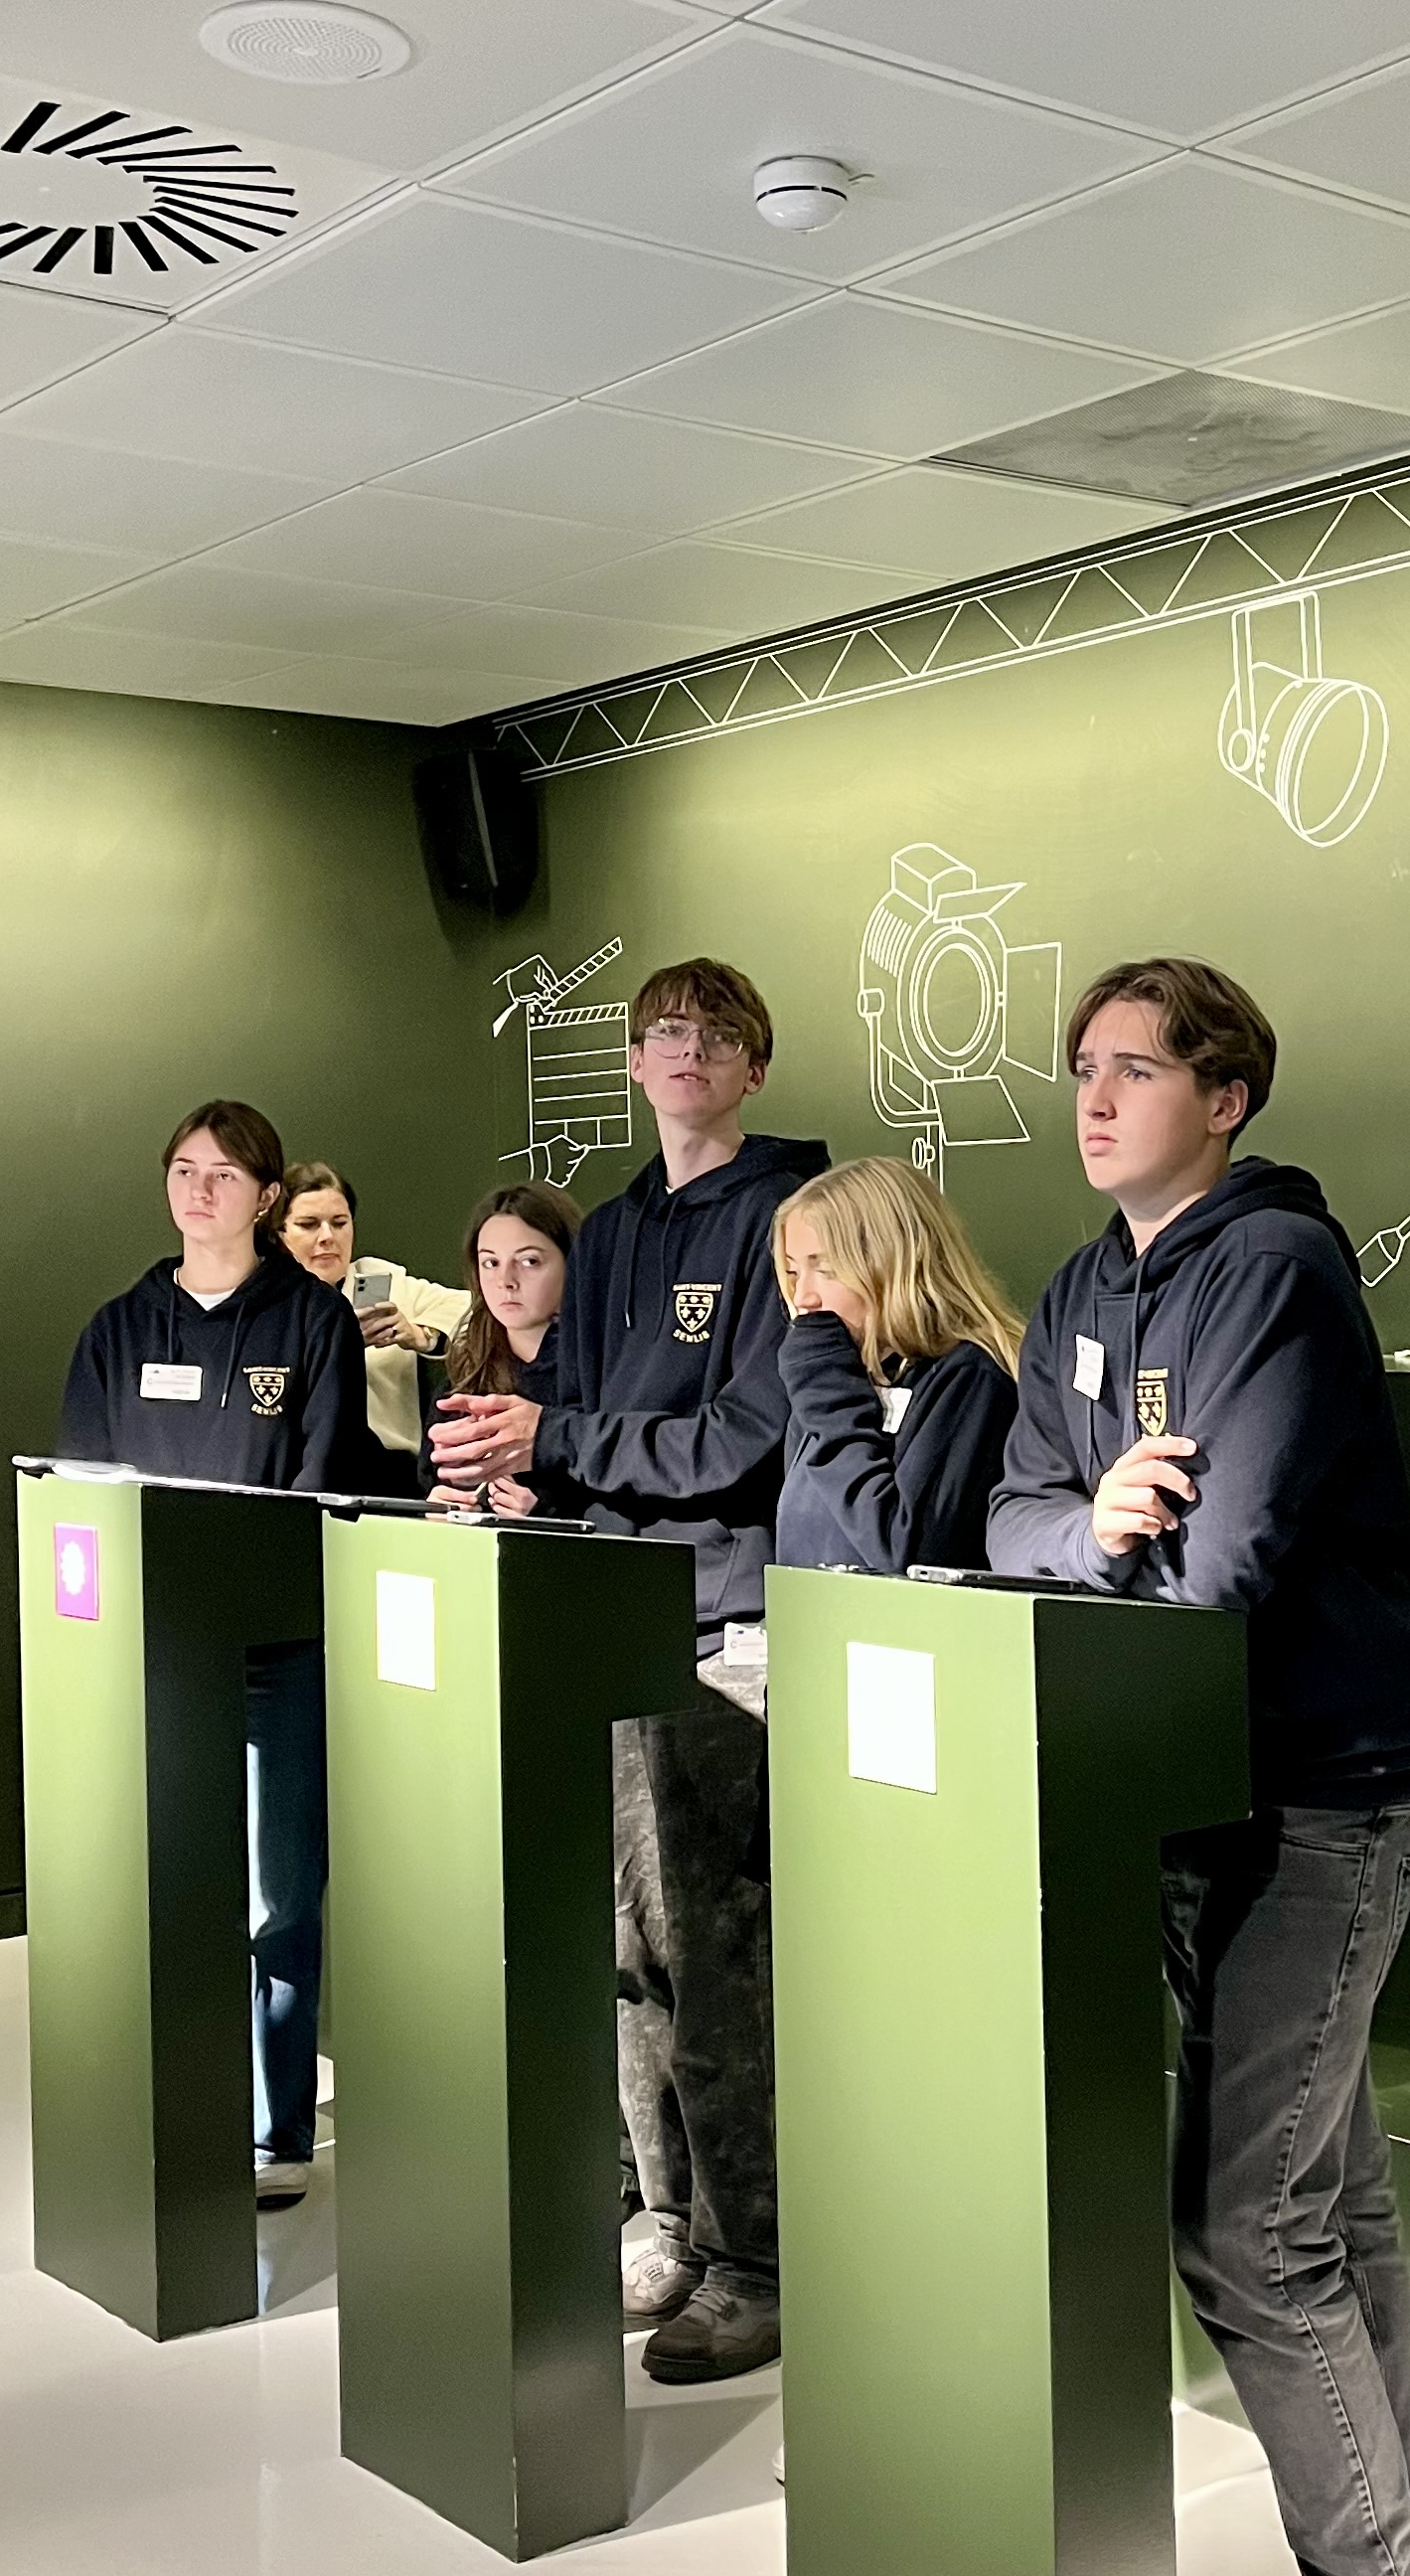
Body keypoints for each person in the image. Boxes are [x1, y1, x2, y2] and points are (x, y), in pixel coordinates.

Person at [986, 958, 1410, 2576]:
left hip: (1319, 1793)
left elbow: (1231, 1558)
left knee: (1246, 2226)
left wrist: (1097, 1540)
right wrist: (1094, 1522)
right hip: (1185, 1797)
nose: (1096, 1100)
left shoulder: (1275, 1267)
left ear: (1226, 1093)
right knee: (1325, 2197)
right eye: (1082, 1069)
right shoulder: (1078, 1283)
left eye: (1136, 1069)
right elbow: (1010, 1509)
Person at [432, 961, 825, 2386]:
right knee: (635, 1962)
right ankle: (669, 2225)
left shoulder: (791, 1216)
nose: (685, 1052)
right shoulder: (604, 1232)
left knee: (724, 1964)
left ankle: (755, 2260)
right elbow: (578, 1418)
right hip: (615, 1615)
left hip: (732, 1628)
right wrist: (520, 1473)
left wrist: (563, 1447)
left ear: (753, 1065)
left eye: (715, 1035)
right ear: (637, 1060)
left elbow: (745, 1442)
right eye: (663, 1032)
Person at [55, 1099, 372, 2204]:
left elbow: (324, 1485)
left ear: (266, 1196)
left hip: (278, 1652)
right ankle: (177, 2111)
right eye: (184, 1169)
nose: (200, 1190)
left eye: (225, 1174)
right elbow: (82, 1494)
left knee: (279, 1900)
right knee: (166, 1895)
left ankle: (277, 2130)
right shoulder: (118, 1329)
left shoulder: (313, 1324)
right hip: (158, 1655)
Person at [772, 1157, 1021, 1576]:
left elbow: (909, 1555)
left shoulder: (969, 1379)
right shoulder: (831, 1376)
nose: (803, 1297)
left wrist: (831, 1404)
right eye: (794, 1272)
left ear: (894, 1263)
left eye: (826, 1269)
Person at [276, 1161, 469, 1467]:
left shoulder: (380, 1280)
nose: (327, 1236)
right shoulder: (266, 1301)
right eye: (309, 1224)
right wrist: (343, 1345)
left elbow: (479, 1311)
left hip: (387, 1468)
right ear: (280, 1232)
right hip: (295, 1465)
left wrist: (422, 1335)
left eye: (339, 1223)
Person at [426, 1184, 579, 1511]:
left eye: (529, 1261)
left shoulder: (602, 1372)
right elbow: (429, 1480)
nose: (506, 1280)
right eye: (490, 1263)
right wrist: (437, 1507)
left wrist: (549, 1515)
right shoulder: (466, 1371)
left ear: (572, 1263)